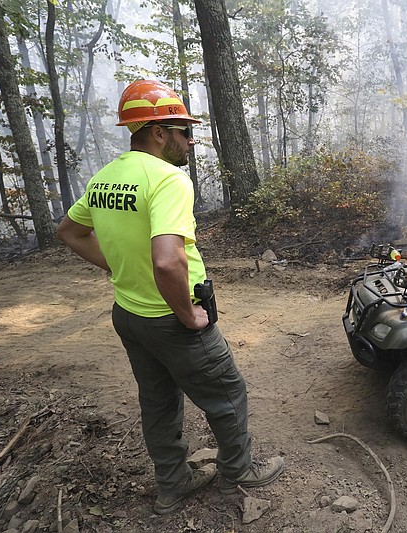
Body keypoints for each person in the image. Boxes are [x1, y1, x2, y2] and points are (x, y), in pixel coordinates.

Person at [57, 80, 284, 515]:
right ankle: (240, 470)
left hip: (129, 314)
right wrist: (189, 314)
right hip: (169, 318)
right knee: (228, 392)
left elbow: (69, 233)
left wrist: (117, 266)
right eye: (183, 130)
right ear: (158, 132)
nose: (190, 140)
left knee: (158, 399)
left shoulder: (105, 177)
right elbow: (167, 261)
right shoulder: (168, 179)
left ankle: (173, 483)